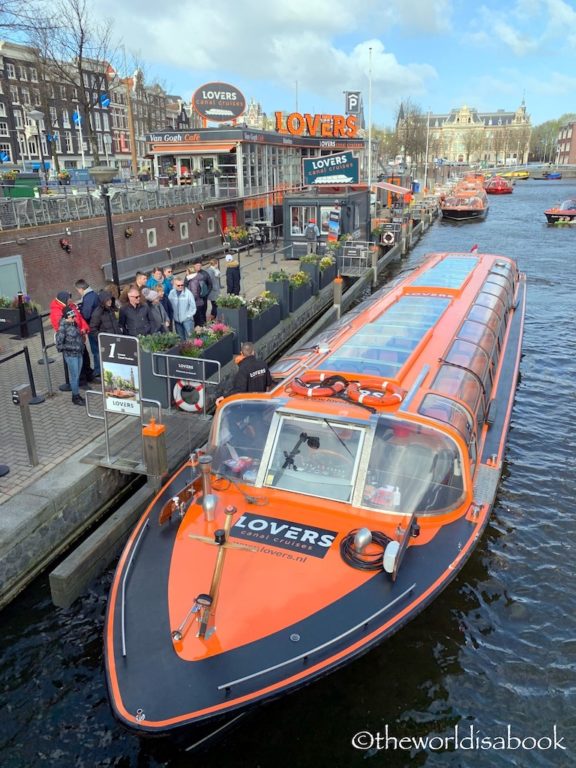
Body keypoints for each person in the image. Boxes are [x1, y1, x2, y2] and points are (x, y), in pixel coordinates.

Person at [55, 307, 86, 406]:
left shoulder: (74, 323)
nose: (73, 318)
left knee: (77, 375)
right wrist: (73, 347)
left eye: (74, 317)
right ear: (66, 317)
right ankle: (75, 396)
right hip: (71, 356)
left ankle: (76, 395)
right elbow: (59, 345)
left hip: (79, 353)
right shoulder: (62, 327)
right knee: (75, 376)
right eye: (71, 317)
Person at [75, 278, 101, 379]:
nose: (78, 292)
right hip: (97, 325)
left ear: (81, 289)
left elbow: (86, 314)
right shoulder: (93, 294)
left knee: (95, 350)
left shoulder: (88, 297)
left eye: (78, 290)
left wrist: (80, 310)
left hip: (93, 327)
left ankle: (98, 370)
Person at [187, 257, 212, 326]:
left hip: (203, 299)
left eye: (200, 265)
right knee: (196, 317)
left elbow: (210, 284)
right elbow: (186, 286)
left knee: (203, 314)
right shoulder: (189, 275)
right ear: (194, 266)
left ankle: (204, 328)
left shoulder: (205, 273)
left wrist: (206, 294)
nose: (199, 267)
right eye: (197, 265)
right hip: (194, 301)